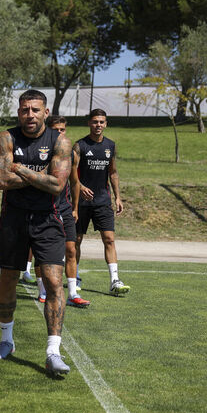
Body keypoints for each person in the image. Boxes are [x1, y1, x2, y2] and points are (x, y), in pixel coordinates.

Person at [0, 89, 72, 376]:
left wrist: (22, 170)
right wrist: (41, 176)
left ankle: (53, 351)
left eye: (35, 110)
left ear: (46, 113)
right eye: (25, 110)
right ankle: (6, 340)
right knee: (8, 279)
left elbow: (57, 186)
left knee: (52, 281)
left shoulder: (59, 140)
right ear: (19, 112)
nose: (30, 115)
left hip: (48, 219)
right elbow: (1, 180)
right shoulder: (6, 138)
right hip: (13, 219)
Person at [35, 116, 90, 308]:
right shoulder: (41, 152)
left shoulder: (71, 153)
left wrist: (75, 208)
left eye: (63, 129)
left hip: (65, 208)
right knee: (41, 253)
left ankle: (73, 293)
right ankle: (42, 290)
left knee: (71, 249)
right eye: (56, 129)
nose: (60, 133)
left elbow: (74, 182)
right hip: (44, 208)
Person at [74, 109, 131, 296]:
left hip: (102, 201)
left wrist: (118, 197)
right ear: (89, 123)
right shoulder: (79, 146)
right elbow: (70, 174)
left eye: (102, 122)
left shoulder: (111, 146)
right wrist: (80, 187)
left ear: (106, 124)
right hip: (81, 203)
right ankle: (75, 278)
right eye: (95, 122)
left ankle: (115, 280)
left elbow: (113, 172)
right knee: (76, 241)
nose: (98, 125)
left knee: (109, 239)